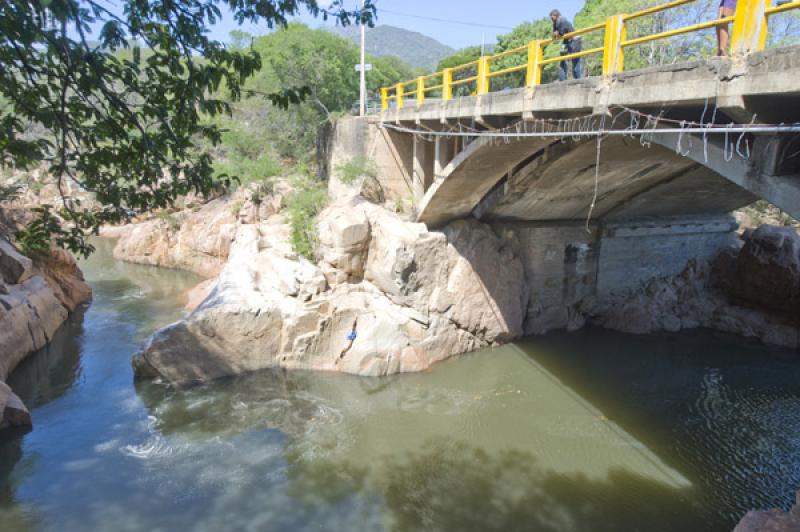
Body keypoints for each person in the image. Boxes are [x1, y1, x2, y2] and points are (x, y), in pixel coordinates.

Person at [550, 9, 583, 81]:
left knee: (575, 60)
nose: (551, 19)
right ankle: (562, 79)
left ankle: (578, 79)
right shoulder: (555, 23)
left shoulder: (563, 20)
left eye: (552, 17)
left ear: (557, 15)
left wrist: (556, 34)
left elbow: (559, 33)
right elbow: (554, 35)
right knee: (562, 58)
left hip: (574, 39)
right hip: (566, 40)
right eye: (551, 18)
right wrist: (555, 34)